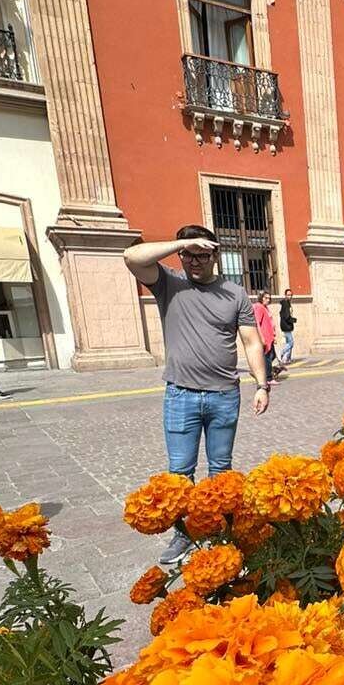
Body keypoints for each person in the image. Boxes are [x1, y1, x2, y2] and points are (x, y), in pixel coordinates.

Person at [123, 224, 271, 564]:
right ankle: (183, 535)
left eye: (202, 254)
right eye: (187, 254)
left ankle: (220, 530)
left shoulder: (234, 294)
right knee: (179, 474)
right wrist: (183, 241)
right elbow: (131, 256)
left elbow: (251, 341)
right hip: (181, 395)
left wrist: (261, 385)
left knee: (221, 471)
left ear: (215, 256)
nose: (193, 261)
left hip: (223, 396)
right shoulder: (168, 284)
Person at [252, 290, 278, 382]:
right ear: (261, 298)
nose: (267, 299)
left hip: (269, 336)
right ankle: (268, 378)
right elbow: (257, 323)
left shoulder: (265, 308)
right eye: (265, 298)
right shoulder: (259, 307)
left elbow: (270, 322)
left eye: (269, 298)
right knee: (267, 357)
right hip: (265, 336)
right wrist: (261, 337)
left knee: (271, 356)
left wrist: (274, 336)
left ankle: (258, 372)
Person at [277, 287, 295, 371]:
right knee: (291, 342)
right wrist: (294, 320)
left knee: (288, 342)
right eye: (288, 295)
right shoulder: (285, 303)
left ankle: (287, 359)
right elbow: (287, 316)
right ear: (285, 295)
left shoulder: (287, 303)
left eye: (291, 295)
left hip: (287, 325)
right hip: (286, 326)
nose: (290, 296)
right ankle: (282, 354)